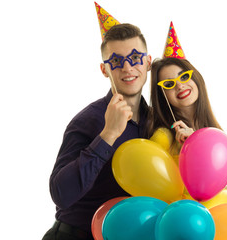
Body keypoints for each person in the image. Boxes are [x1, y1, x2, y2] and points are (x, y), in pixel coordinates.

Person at [41, 7, 152, 239]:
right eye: (116, 61)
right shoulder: (87, 121)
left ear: (148, 63)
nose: (127, 68)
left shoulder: (156, 121)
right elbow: (61, 194)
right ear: (104, 70)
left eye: (135, 58)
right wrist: (108, 134)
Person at [148, 22, 227, 195]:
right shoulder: (164, 136)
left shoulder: (212, 131)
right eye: (169, 84)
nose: (180, 86)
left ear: (195, 77)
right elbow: (149, 177)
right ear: (162, 96)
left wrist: (199, 144)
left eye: (183, 76)